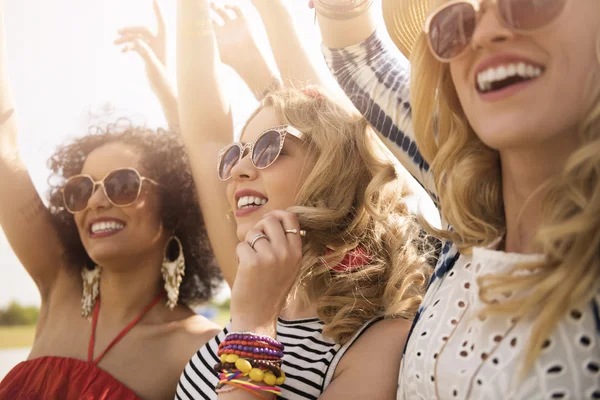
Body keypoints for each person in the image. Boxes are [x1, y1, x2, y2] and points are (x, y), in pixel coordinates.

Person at [314, 0, 600, 398]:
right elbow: (361, 61)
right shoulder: (467, 208)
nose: (482, 35)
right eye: (457, 24)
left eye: (528, 3)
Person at [173, 0, 431, 398]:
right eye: (236, 153)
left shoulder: (381, 339)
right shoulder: (259, 285)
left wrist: (254, 326)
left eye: (268, 148)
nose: (240, 169)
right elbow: (205, 130)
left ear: (332, 171)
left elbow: (334, 123)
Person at [0, 1, 222, 398]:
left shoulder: (197, 348)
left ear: (173, 208)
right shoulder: (59, 288)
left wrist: (170, 90)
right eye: (81, 189)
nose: (96, 200)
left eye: (121, 185)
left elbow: (205, 166)